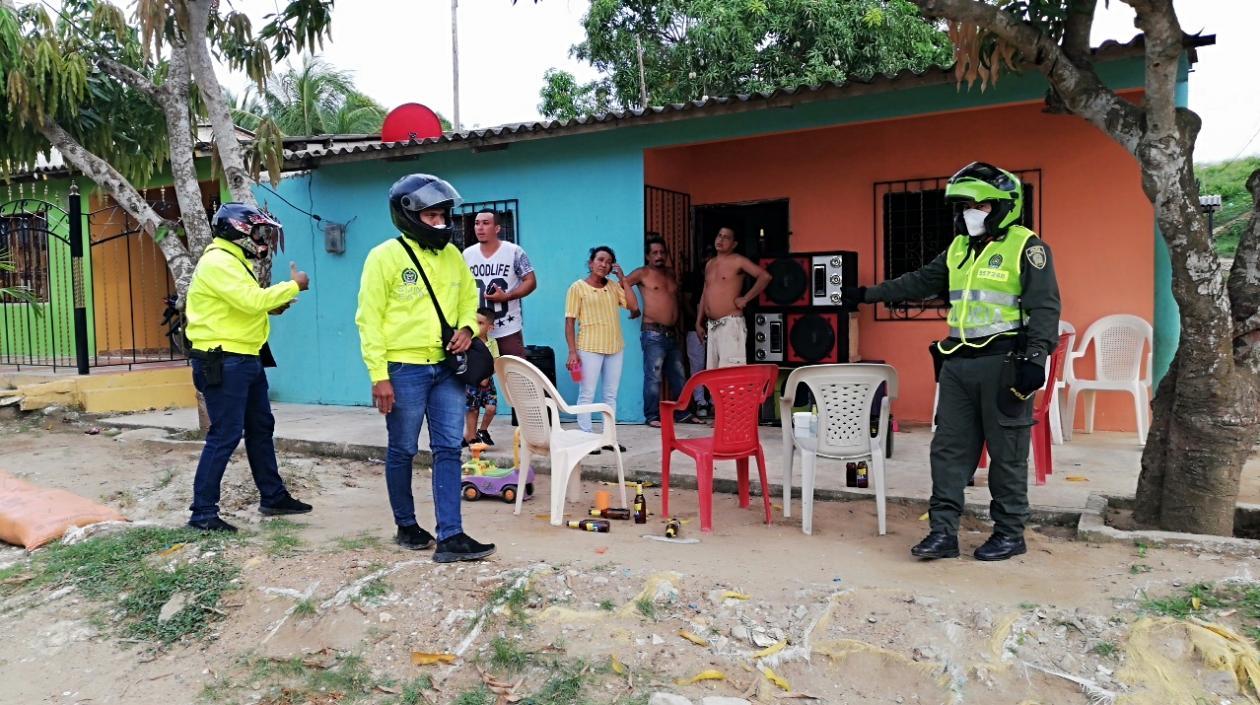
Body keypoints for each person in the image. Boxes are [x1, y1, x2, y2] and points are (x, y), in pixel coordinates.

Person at [844, 162, 1061, 562]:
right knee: (947, 451)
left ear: (1003, 206)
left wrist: (1036, 358)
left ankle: (1009, 533)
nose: (969, 213)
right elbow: (919, 281)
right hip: (958, 363)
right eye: (964, 206)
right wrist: (866, 294)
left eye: (978, 205)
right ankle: (943, 533)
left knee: (1007, 454)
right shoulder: (958, 248)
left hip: (1004, 364)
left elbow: (1045, 307)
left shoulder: (1027, 247)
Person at [355, 173, 496, 562]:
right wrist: (379, 375)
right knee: (402, 448)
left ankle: (451, 536)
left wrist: (467, 328)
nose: (440, 223)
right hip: (404, 369)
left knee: (449, 448)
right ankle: (406, 525)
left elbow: (468, 301)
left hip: (448, 369)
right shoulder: (383, 257)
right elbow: (368, 320)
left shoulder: (452, 256)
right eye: (431, 216)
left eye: (443, 215)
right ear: (409, 216)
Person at [184, 202, 312, 532]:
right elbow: (252, 300)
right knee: (225, 434)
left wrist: (273, 307)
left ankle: (273, 497)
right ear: (239, 231)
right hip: (224, 360)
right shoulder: (218, 262)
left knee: (260, 428)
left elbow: (242, 304)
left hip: (245, 357)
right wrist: (294, 285)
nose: (263, 239)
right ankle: (202, 514)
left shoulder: (235, 261)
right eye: (258, 232)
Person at [565, 246, 640, 449]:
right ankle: (586, 438)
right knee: (587, 394)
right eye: (600, 260)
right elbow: (570, 322)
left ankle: (609, 438)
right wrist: (572, 352)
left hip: (615, 347)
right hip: (589, 347)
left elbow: (634, 307)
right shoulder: (577, 288)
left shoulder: (614, 287)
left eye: (608, 262)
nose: (604, 264)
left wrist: (623, 279)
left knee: (610, 395)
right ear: (591, 263)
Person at [626, 235, 690, 428]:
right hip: (653, 333)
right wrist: (633, 307)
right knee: (653, 377)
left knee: (679, 375)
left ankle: (683, 413)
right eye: (654, 253)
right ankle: (652, 416)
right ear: (647, 256)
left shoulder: (670, 273)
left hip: (672, 333)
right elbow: (622, 285)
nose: (659, 256)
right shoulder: (642, 273)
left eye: (662, 252)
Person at [462, 209, 536, 358]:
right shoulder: (467, 254)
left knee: (514, 370)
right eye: (477, 223)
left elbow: (531, 281)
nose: (480, 227)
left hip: (507, 328)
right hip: (478, 330)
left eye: (485, 223)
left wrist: (508, 296)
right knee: (479, 371)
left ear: (497, 228)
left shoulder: (514, 251)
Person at [696, 227, 771, 368]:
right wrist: (698, 321)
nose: (721, 239)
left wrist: (746, 298)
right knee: (713, 374)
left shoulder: (738, 260)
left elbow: (765, 276)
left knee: (730, 373)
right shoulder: (710, 264)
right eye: (719, 235)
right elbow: (705, 291)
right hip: (712, 326)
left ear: (734, 244)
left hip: (730, 325)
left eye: (726, 237)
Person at [681, 246, 714, 418]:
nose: (707, 259)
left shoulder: (719, 276)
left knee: (715, 366)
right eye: (705, 255)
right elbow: (686, 302)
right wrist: (698, 321)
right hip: (694, 328)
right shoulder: (692, 277)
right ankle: (701, 402)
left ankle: (715, 402)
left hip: (717, 326)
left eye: (711, 256)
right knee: (697, 367)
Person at [463, 307, 501, 447]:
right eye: (474, 322)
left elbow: (496, 362)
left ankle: (483, 430)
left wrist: (486, 376)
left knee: (491, 408)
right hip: (473, 382)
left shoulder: (492, 343)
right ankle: (471, 438)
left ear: (490, 327)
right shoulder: (469, 342)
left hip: (488, 382)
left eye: (480, 323)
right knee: (473, 409)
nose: (476, 326)